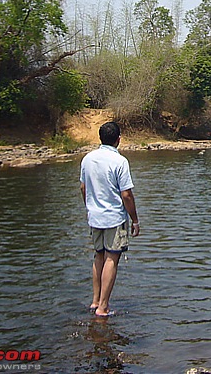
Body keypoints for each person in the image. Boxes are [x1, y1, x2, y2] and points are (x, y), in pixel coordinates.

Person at [80, 121, 140, 317]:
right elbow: (126, 195)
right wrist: (135, 219)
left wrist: (89, 207)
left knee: (99, 256)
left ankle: (95, 300)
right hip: (114, 217)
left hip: (94, 216)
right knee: (112, 258)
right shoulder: (120, 161)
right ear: (118, 140)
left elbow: (83, 188)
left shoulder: (87, 159)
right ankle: (103, 307)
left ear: (100, 138)